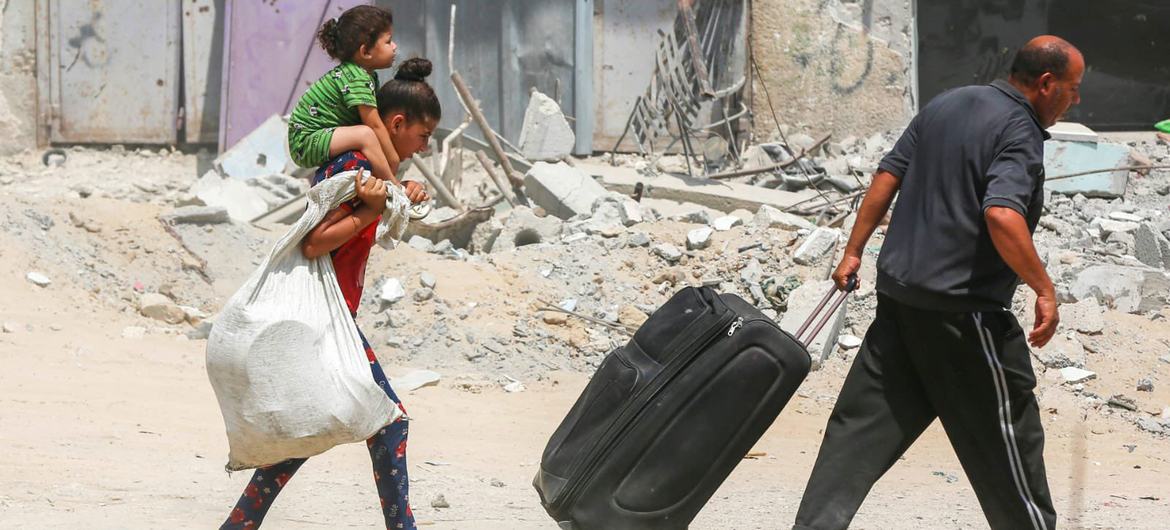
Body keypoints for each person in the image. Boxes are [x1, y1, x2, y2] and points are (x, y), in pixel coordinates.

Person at [792, 36, 1084, 530]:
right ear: (1046, 83)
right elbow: (1002, 214)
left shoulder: (948, 103)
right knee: (1008, 435)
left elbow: (888, 174)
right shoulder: (1020, 128)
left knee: (861, 427)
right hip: (963, 313)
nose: (1075, 99)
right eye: (1073, 89)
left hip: (900, 298)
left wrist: (853, 251)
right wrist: (1045, 288)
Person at [220, 58, 439, 530]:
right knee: (390, 422)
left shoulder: (377, 174)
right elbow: (315, 240)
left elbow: (383, 208)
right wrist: (371, 209)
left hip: (336, 316)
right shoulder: (353, 165)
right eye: (423, 136)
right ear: (396, 124)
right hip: (322, 315)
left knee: (308, 430)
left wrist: (405, 193)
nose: (425, 146)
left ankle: (238, 525)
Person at [287, 5, 406, 186]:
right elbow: (373, 124)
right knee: (365, 134)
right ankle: (392, 186)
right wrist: (393, 159)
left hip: (318, 137)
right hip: (306, 140)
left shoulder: (367, 75)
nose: (394, 46)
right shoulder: (356, 77)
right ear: (365, 52)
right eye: (388, 42)